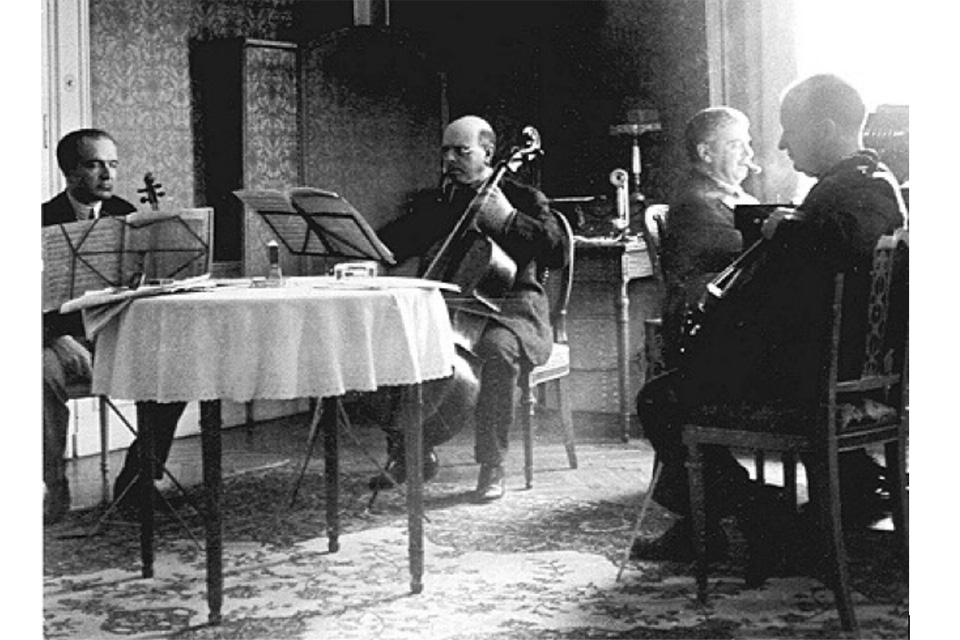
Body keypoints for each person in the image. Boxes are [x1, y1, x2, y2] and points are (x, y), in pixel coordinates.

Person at [633, 75, 907, 577]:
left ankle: (757, 509)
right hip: (835, 368)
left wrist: (788, 229)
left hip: (815, 376)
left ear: (824, 129)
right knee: (691, 381)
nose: (780, 145)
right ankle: (841, 495)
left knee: (661, 399)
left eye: (789, 131)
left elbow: (827, 257)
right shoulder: (863, 183)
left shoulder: (849, 192)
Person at [369, 115, 569, 502]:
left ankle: (492, 464)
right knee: (401, 336)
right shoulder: (442, 201)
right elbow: (392, 242)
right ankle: (409, 451)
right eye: (445, 151)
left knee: (496, 351)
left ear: (489, 153)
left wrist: (508, 219)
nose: (450, 159)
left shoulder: (523, 197)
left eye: (461, 151)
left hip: (512, 312)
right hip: (453, 309)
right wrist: (371, 251)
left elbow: (556, 250)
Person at [42, 129, 186, 524]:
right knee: (38, 374)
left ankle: (137, 480)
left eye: (113, 165)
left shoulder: (128, 215)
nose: (107, 174)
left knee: (178, 371)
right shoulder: (38, 219)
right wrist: (56, 337)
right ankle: (52, 488)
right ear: (69, 172)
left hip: (115, 335)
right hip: (58, 341)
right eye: (94, 164)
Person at [659, 106, 761, 367]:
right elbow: (748, 254)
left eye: (747, 144)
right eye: (736, 145)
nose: (748, 154)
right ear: (706, 153)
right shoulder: (696, 202)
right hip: (704, 326)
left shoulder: (734, 197)